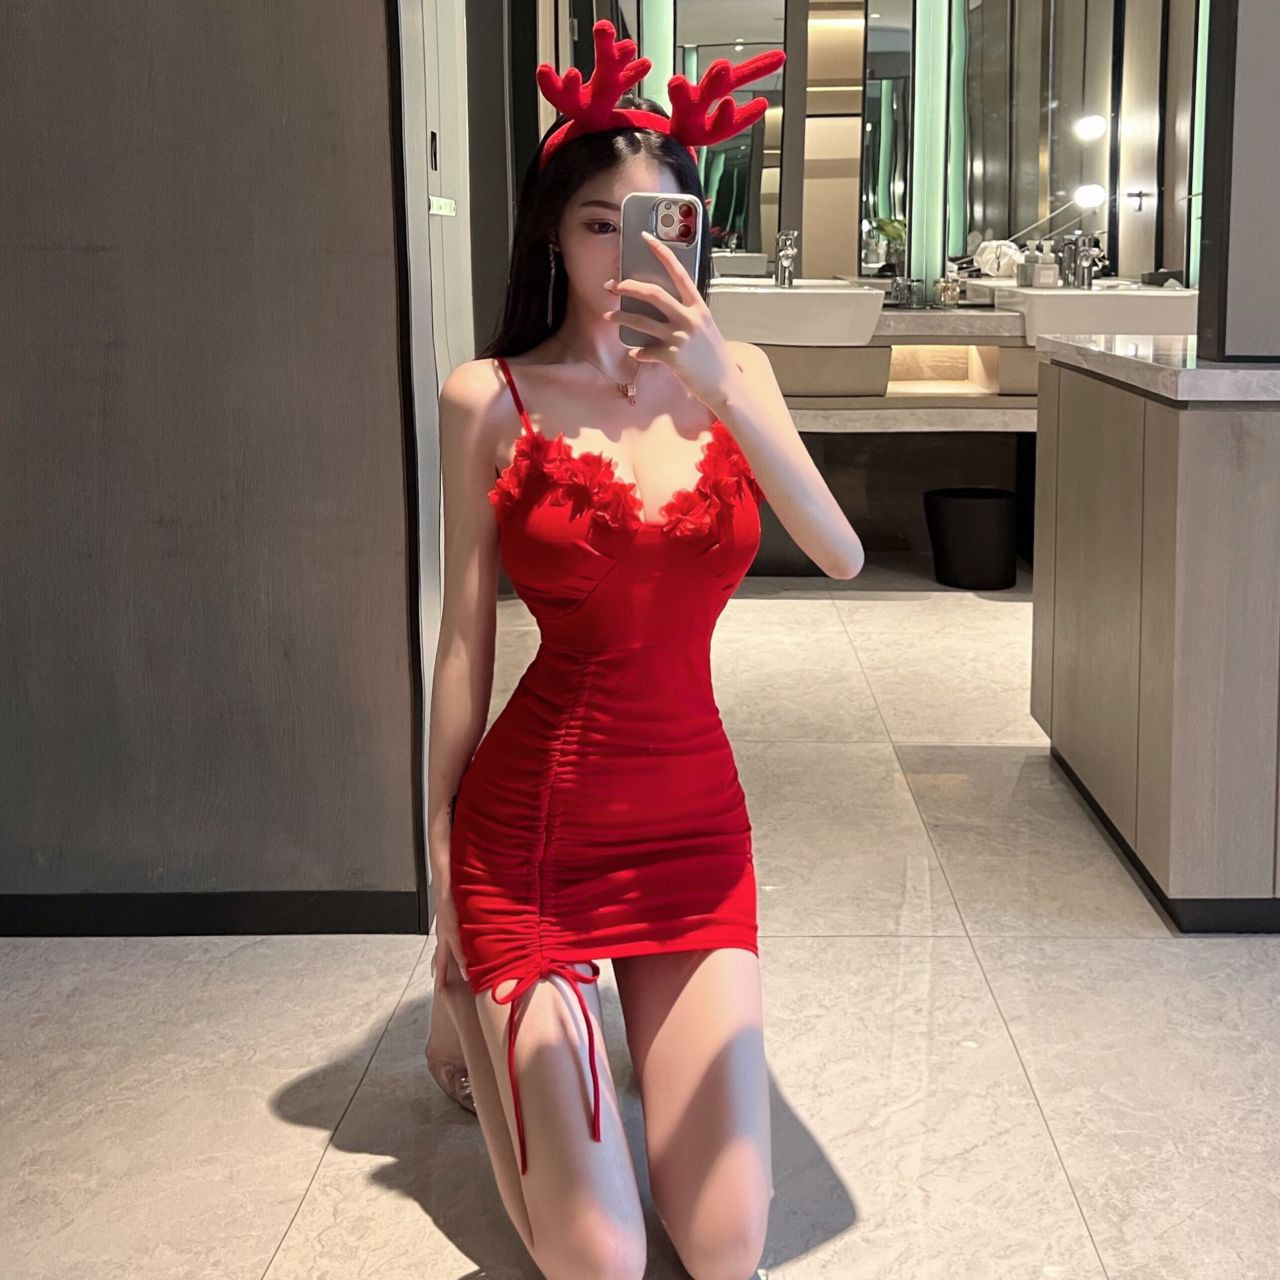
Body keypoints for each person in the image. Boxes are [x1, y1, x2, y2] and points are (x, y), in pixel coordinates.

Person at [425, 20, 863, 1280]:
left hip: (692, 833)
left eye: (660, 221)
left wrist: (720, 384)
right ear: (550, 237)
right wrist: (437, 868)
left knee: (723, 1247)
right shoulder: (487, 396)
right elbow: (463, 637)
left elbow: (838, 552)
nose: (627, 251)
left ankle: (518, 1024)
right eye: (596, 224)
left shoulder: (740, 375)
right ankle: (481, 991)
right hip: (532, 836)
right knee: (603, 1258)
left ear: (695, 231)